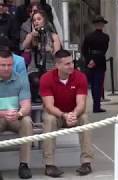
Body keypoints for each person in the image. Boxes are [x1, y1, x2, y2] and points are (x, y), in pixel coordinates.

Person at [39, 49, 94, 177]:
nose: (71, 66)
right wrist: (64, 115)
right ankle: (49, 165)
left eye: (72, 62)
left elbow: (81, 103)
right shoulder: (46, 79)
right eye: (67, 64)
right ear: (57, 65)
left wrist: (74, 114)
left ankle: (86, 163)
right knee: (49, 119)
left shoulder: (80, 77)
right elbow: (49, 106)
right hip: (56, 114)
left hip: (74, 113)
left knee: (85, 118)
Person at [0, 49, 33, 179]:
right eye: (3, 65)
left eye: (9, 65)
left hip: (15, 117)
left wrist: (19, 114)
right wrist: (3, 114)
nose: (7, 68)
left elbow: (26, 105)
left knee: (27, 121)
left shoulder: (21, 79)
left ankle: (24, 165)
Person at [82, 16, 110, 113]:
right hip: (99, 62)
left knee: (95, 85)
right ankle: (96, 106)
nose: (100, 25)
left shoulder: (90, 36)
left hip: (93, 62)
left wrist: (89, 61)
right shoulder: (104, 37)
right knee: (97, 85)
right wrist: (92, 61)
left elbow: (85, 50)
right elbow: (103, 51)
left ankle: (96, 106)